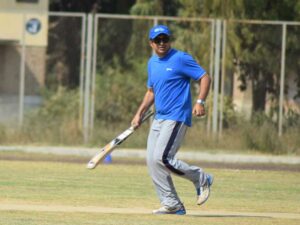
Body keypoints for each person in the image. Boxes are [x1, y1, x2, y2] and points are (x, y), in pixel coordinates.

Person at [131, 24, 213, 215]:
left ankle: (201, 178)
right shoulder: (152, 63)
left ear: (169, 40)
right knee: (153, 161)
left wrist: (200, 101)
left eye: (165, 39)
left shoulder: (180, 58)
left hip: (176, 116)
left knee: (162, 158)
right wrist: (139, 113)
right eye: (157, 40)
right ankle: (172, 203)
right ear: (151, 43)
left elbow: (205, 77)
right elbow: (151, 91)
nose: (162, 43)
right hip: (158, 118)